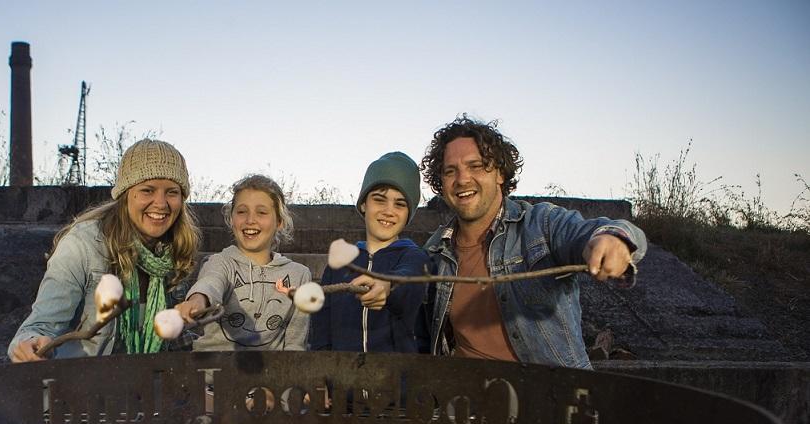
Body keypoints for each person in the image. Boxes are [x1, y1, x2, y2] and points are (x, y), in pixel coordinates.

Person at [418, 115, 647, 368]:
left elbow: (600, 231)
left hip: (551, 397)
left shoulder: (541, 224)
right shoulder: (436, 250)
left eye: (476, 166)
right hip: (468, 400)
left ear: (500, 174)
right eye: (451, 171)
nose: (462, 179)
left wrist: (613, 239)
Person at [8, 139, 200, 361]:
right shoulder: (82, 245)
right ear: (126, 194)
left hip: (150, 382)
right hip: (85, 383)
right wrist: (31, 344)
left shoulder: (173, 251)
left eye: (172, 192)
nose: (161, 203)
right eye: (147, 190)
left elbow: (174, 340)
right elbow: (40, 326)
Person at [309, 152, 431, 352]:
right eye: (379, 200)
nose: (389, 211)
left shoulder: (415, 257)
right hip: (344, 378)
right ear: (364, 203)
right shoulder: (340, 264)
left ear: (409, 213)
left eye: (400, 204)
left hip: (397, 379)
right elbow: (322, 332)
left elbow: (410, 280)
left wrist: (387, 284)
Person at [174, 174, 311, 350]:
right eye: (241, 211)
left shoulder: (299, 275)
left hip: (270, 372)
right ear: (231, 219)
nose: (250, 220)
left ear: (279, 222)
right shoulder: (219, 262)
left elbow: (295, 344)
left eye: (261, 212)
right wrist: (196, 302)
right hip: (213, 369)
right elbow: (210, 283)